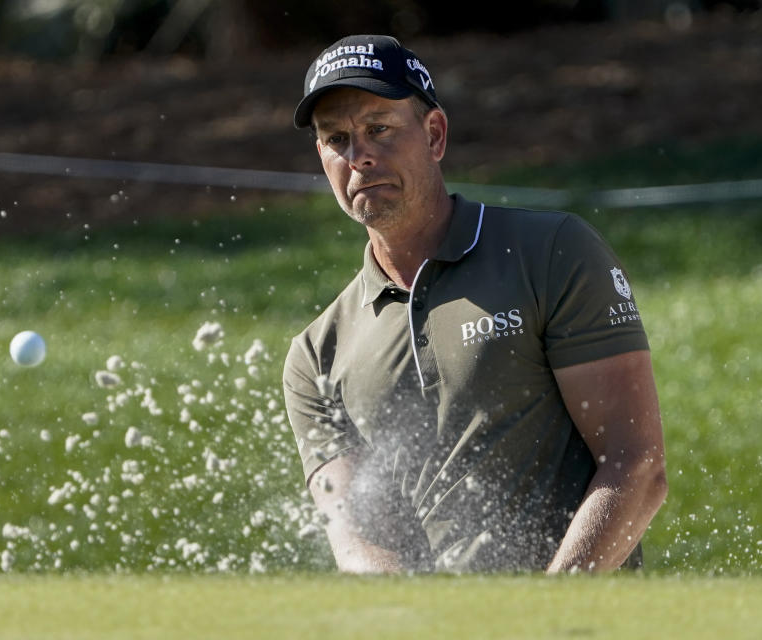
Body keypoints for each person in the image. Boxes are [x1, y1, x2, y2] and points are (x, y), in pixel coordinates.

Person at [282, 34, 668, 574]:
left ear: (434, 134)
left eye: (379, 129)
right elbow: (363, 546)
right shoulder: (315, 355)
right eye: (336, 139)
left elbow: (637, 466)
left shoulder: (550, 252)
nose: (359, 155)